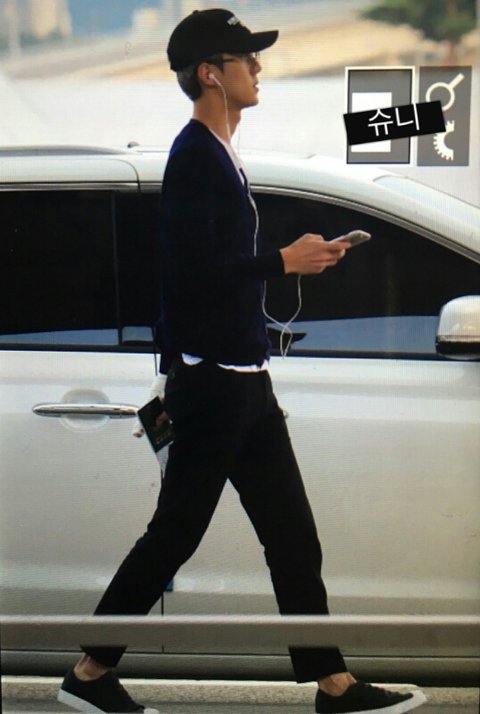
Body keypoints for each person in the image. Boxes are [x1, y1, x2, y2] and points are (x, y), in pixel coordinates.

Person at [58, 9, 427, 714]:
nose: (258, 68)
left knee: (293, 538)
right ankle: (90, 672)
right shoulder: (195, 156)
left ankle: (333, 684)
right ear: (210, 73)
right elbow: (190, 273)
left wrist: (295, 261)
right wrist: (282, 261)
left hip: (245, 382)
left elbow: (218, 268)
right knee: (175, 536)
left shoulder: (221, 153)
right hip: (214, 388)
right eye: (245, 58)